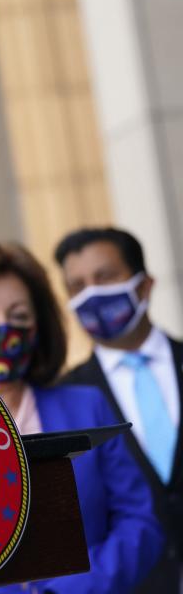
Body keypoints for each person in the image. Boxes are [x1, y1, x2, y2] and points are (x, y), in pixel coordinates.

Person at [0, 240, 161, 594]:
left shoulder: (86, 406)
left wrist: (73, 588)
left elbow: (139, 522)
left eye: (18, 317)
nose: (3, 329)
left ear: (38, 328)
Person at [55, 227, 183, 593]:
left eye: (105, 277)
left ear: (145, 286)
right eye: (77, 286)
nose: (91, 294)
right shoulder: (66, 397)